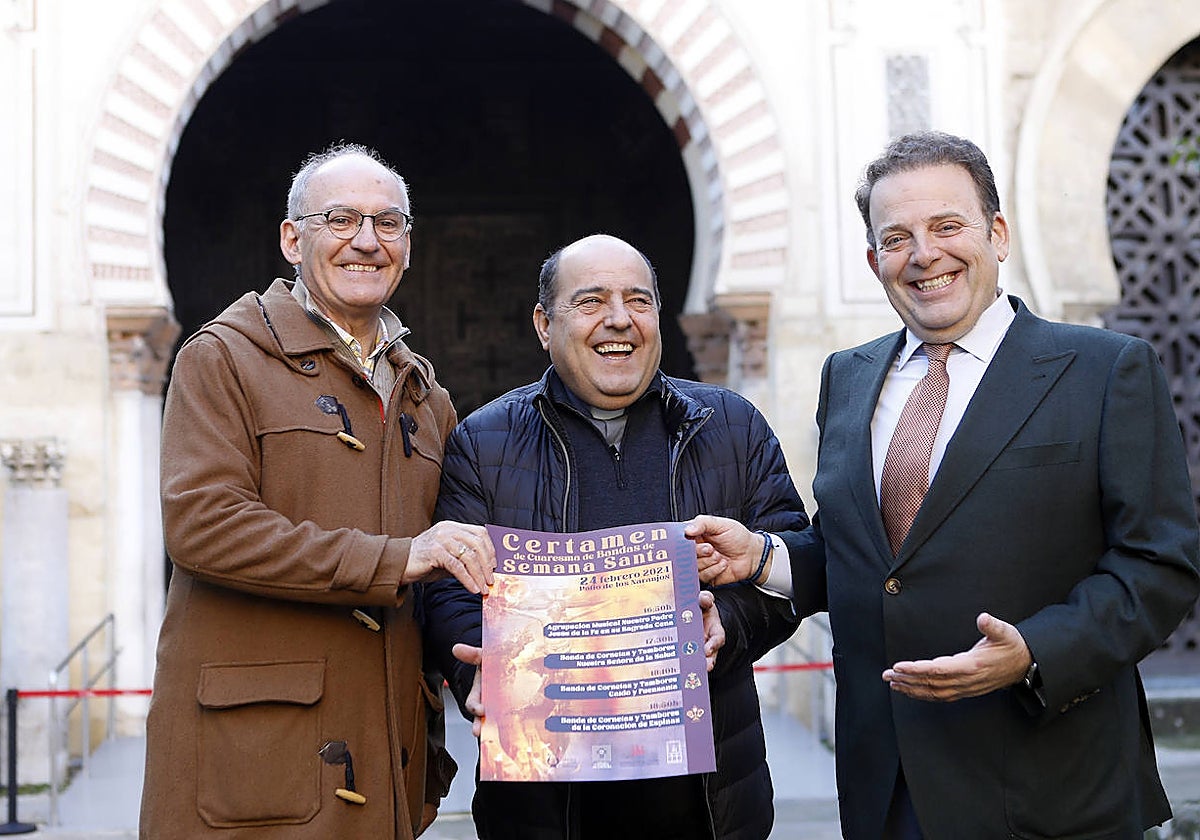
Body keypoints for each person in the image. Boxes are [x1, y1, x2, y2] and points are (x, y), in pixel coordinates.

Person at [687, 130, 1200, 839]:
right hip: (887, 793)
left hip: (1052, 791)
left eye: (947, 226)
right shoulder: (847, 378)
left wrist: (1034, 651)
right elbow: (866, 558)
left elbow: (1159, 566)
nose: (924, 255)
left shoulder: (1106, 371)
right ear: (874, 260)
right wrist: (762, 556)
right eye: (897, 238)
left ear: (998, 234)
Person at [140, 143, 497, 839]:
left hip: (386, 765)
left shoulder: (426, 397)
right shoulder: (223, 358)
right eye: (340, 219)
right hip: (255, 773)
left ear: (408, 247)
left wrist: (481, 670)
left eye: (388, 223)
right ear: (291, 239)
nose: (367, 241)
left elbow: (447, 574)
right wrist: (394, 559)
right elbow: (204, 526)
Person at [421, 234, 818, 840]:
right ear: (544, 325)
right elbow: (447, 588)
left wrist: (729, 622)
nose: (619, 320)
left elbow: (789, 563)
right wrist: (482, 667)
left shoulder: (732, 427)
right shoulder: (483, 442)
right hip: (543, 809)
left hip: (711, 805)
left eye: (638, 300)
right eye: (591, 301)